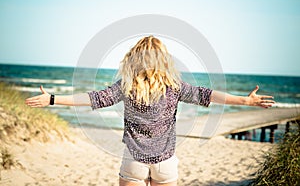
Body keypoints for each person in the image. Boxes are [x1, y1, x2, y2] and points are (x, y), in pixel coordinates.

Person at [25, 36, 275, 186]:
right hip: (166, 163)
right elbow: (207, 95)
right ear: (163, 61)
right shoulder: (175, 86)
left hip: (133, 161)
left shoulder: (126, 87)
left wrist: (53, 99)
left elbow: (92, 99)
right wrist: (245, 101)